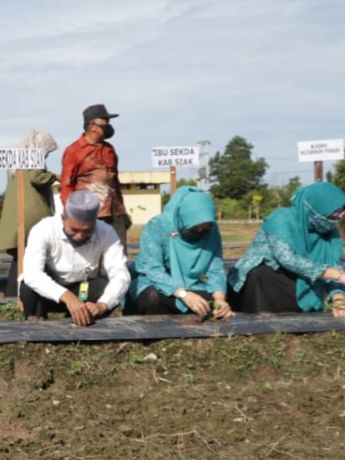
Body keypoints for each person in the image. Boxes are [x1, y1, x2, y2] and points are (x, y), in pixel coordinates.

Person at [228, 182, 345, 316]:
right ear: (315, 208)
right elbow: (287, 258)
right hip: (267, 282)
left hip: (300, 281)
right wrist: (339, 275)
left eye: (342, 212)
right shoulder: (281, 218)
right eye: (334, 213)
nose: (338, 218)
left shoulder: (330, 231)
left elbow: (335, 267)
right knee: (262, 273)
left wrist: (339, 300)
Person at [20, 191, 130, 326]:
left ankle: (86, 319)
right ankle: (36, 323)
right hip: (52, 290)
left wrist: (102, 305)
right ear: (63, 218)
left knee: (106, 288)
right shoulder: (43, 229)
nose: (79, 236)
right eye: (74, 229)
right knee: (28, 287)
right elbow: (33, 274)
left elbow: (120, 274)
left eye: (87, 231)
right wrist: (67, 297)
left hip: (83, 288)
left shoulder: (106, 232)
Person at [128, 187, 232, 319]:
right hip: (157, 281)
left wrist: (220, 299)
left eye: (205, 229)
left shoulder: (212, 230)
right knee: (152, 298)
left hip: (195, 281)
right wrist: (184, 295)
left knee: (210, 303)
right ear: (182, 219)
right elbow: (153, 269)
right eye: (195, 228)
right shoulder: (159, 225)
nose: (201, 232)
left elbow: (214, 269)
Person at [0, 129, 59, 297]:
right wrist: (56, 177)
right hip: (30, 220)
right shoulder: (31, 162)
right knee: (30, 260)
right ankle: (23, 298)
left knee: (20, 260)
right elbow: (36, 177)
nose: (45, 156)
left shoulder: (15, 164)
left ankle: (13, 296)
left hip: (17, 220)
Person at [60, 104, 130, 250]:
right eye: (105, 122)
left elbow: (115, 183)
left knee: (119, 254)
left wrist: (122, 210)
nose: (109, 126)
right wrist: (72, 214)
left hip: (115, 212)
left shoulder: (109, 150)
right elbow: (66, 185)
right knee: (91, 258)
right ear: (93, 125)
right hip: (89, 213)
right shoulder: (74, 151)